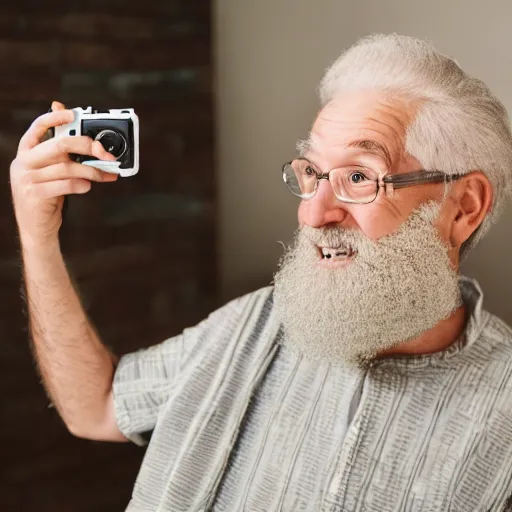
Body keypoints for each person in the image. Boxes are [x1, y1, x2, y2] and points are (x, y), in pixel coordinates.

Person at [10, 33, 512, 511]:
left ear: (464, 206)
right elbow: (97, 406)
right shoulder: (253, 324)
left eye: (359, 177)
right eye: (311, 174)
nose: (314, 215)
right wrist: (38, 237)